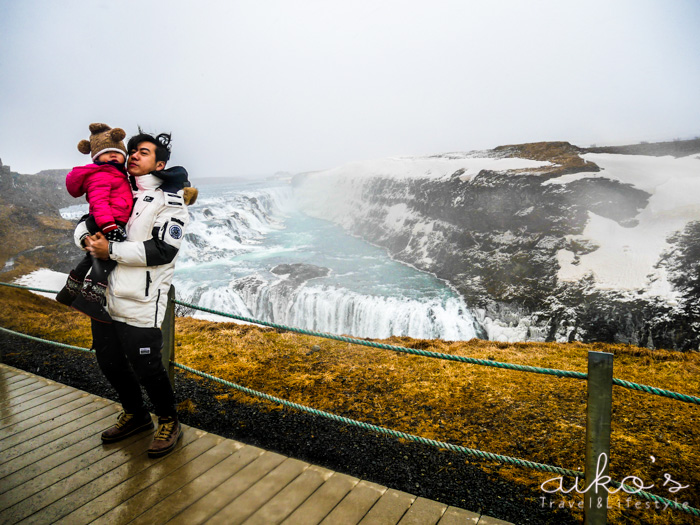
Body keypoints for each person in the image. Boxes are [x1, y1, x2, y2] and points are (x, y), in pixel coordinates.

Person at [77, 129, 198, 458]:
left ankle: (169, 420)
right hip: (104, 295)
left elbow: (163, 249)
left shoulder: (170, 202)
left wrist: (109, 250)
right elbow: (87, 222)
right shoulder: (117, 188)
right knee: (110, 362)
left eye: (142, 152)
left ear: (159, 163)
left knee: (147, 366)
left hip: (141, 300)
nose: (133, 155)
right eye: (132, 150)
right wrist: (86, 240)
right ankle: (136, 415)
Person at [56, 123, 134, 324]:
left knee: (90, 259)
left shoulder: (117, 173)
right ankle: (90, 301)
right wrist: (110, 227)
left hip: (106, 220)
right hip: (107, 220)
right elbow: (99, 203)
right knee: (106, 259)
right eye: (106, 153)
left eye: (117, 153)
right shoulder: (103, 174)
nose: (113, 156)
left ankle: (70, 291)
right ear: (96, 157)